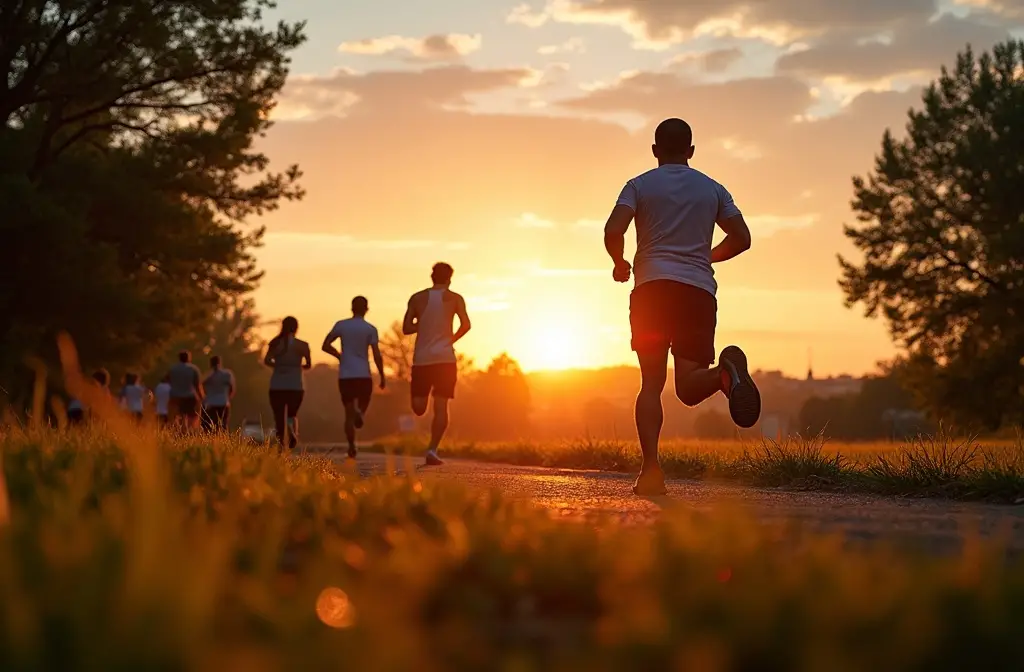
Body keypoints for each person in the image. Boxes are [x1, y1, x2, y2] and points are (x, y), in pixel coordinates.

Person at [603, 118, 762, 497]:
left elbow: (613, 230)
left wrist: (619, 262)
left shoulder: (638, 185)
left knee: (652, 385)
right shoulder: (713, 189)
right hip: (696, 292)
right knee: (689, 387)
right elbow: (742, 238)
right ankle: (725, 375)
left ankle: (652, 471)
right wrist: (705, 256)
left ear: (655, 150)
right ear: (691, 151)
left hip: (653, 293)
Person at [402, 262, 471, 466]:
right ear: (450, 278)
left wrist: (421, 324)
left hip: (428, 359)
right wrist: (451, 339)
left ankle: (432, 450)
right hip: (442, 358)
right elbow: (466, 325)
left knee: (428, 407)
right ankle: (432, 448)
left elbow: (406, 328)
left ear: (432, 277)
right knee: (424, 407)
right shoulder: (455, 298)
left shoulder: (417, 298)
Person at [322, 296, 386, 459]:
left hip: (346, 375)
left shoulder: (341, 325)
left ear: (351, 308)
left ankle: (352, 446)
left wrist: (338, 355)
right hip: (363, 374)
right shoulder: (370, 329)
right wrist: (382, 375)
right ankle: (361, 412)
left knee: (348, 414)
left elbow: (325, 345)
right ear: (366, 309)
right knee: (363, 403)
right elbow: (376, 354)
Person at [265, 316, 311, 451]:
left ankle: (281, 448)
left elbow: (267, 360)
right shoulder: (302, 345)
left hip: (277, 385)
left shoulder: (275, 343)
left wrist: (279, 366)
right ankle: (291, 426)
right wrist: (296, 367)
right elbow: (308, 365)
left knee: (279, 418)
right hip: (295, 384)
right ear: (296, 328)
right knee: (292, 413)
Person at [168, 351, 204, 430]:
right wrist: (201, 396)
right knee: (191, 416)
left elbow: (169, 382)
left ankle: (178, 431)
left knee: (177, 416)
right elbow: (197, 385)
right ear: (189, 358)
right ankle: (188, 431)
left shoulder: (173, 369)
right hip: (189, 396)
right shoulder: (193, 369)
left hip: (175, 396)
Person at [202, 355, 236, 432]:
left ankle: (212, 440)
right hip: (223, 402)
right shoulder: (227, 374)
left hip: (211, 403)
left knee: (210, 424)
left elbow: (201, 385)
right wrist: (228, 398)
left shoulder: (209, 376)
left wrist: (205, 397)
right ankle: (222, 440)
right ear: (220, 362)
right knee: (223, 424)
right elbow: (231, 388)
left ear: (210, 364)